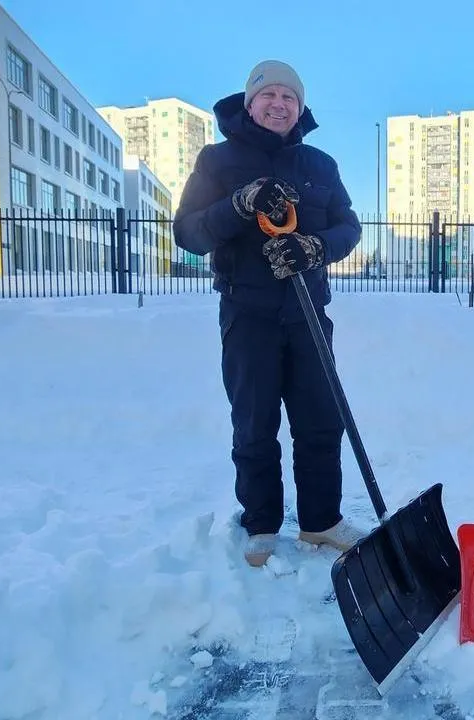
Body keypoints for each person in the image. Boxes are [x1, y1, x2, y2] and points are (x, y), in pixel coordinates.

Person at [173, 60, 366, 567]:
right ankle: (261, 523)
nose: (280, 104)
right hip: (248, 315)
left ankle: (321, 520)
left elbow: (348, 228)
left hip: (309, 316)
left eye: (291, 98)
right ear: (250, 101)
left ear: (300, 108)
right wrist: (237, 204)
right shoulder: (216, 161)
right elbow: (189, 233)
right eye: (270, 95)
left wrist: (314, 247)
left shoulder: (320, 165)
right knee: (255, 423)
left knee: (321, 421)